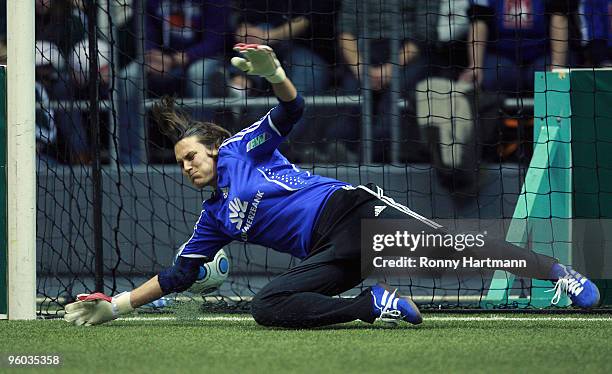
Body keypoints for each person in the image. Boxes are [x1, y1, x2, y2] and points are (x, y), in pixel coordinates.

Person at [64, 44, 600, 328]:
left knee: (459, 250)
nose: (186, 167)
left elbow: (293, 108)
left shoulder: (240, 149)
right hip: (329, 256)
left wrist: (273, 73)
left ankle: (559, 273)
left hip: (350, 216)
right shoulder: (214, 219)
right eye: (179, 163)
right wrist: (115, 306)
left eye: (190, 156)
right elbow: (178, 274)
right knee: (268, 307)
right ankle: (373, 306)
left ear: (212, 147)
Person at [116, 0, 233, 164]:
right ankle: (132, 162)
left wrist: (181, 58)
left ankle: (203, 153)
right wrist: (151, 55)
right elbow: (144, 31)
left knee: (198, 73)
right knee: (127, 78)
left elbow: (216, 40)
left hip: (202, 57)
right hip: (160, 59)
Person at [458, 0, 578, 93]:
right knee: (490, 78)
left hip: (543, 54)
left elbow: (559, 17)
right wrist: (476, 65)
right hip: (501, 55)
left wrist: (558, 64)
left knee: (553, 80)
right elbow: (479, 21)